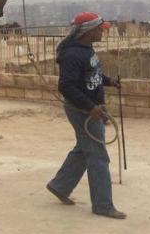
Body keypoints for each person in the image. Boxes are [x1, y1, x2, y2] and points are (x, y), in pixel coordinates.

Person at [46, 12, 126, 219]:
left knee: (83, 149)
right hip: (82, 110)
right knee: (98, 156)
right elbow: (66, 86)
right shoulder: (72, 55)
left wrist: (109, 82)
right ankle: (102, 204)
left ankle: (60, 186)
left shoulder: (86, 49)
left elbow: (92, 74)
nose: (103, 31)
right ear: (89, 31)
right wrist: (90, 108)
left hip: (91, 107)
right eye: (100, 28)